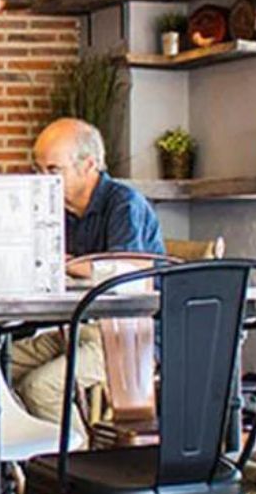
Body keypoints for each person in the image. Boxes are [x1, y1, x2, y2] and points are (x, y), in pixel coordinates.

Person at [11, 118, 165, 423]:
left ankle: (73, 459)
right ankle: (27, 458)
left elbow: (127, 269)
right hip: (74, 326)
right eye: (38, 170)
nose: (44, 180)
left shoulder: (124, 203)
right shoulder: (56, 210)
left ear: (89, 165)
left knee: (40, 388)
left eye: (53, 170)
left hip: (129, 336)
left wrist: (65, 263)